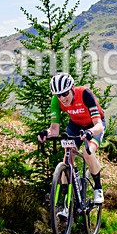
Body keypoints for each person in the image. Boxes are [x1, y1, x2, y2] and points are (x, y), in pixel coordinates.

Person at [38, 73, 106, 204]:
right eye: (58, 95)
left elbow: (99, 125)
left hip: (94, 125)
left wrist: (90, 132)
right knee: (67, 156)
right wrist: (45, 133)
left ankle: (98, 188)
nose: (62, 98)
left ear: (72, 88)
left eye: (65, 93)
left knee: (87, 152)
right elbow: (54, 130)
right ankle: (66, 201)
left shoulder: (85, 94)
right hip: (75, 125)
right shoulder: (56, 101)